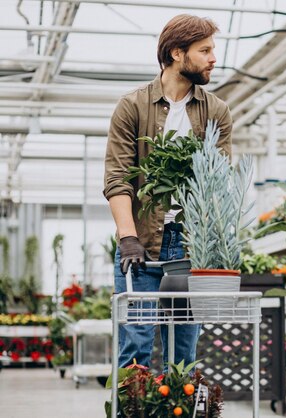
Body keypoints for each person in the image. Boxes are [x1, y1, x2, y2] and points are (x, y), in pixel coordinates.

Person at [103, 14, 232, 369]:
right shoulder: (132, 106)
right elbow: (117, 178)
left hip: (190, 247)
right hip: (140, 243)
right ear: (177, 53)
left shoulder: (216, 111)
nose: (213, 58)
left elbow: (220, 184)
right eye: (204, 50)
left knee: (182, 354)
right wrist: (128, 238)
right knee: (135, 349)